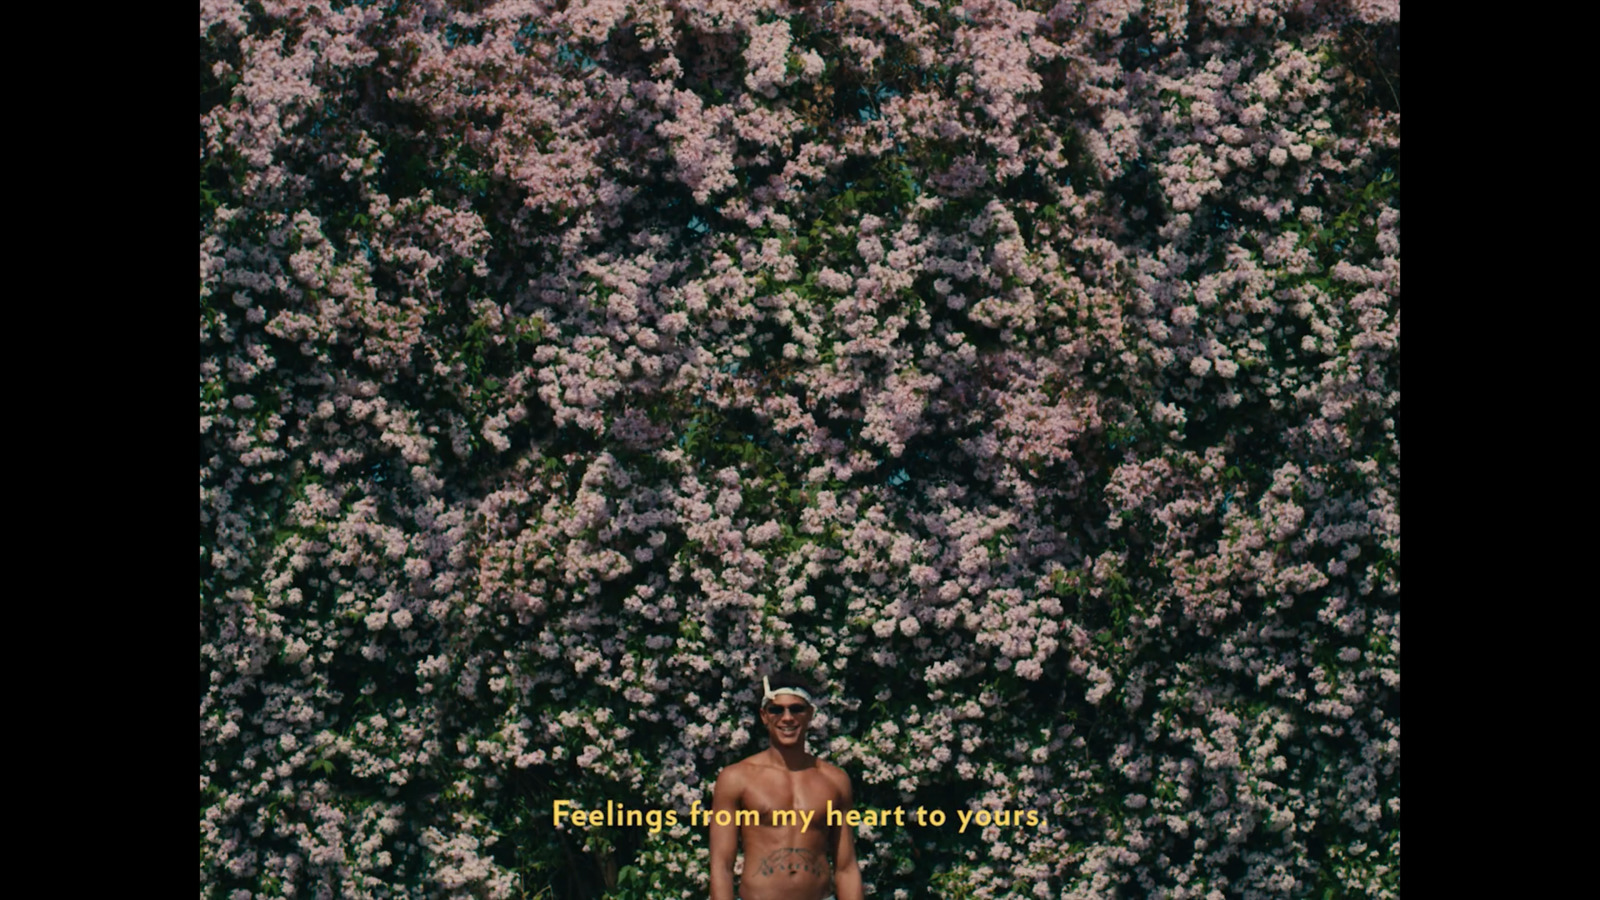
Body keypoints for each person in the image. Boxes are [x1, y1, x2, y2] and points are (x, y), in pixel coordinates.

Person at [707, 670, 863, 900]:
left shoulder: (834, 780)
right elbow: (721, 866)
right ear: (764, 715)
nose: (787, 718)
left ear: (809, 714)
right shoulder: (737, 778)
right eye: (776, 709)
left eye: (796, 709)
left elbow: (846, 867)